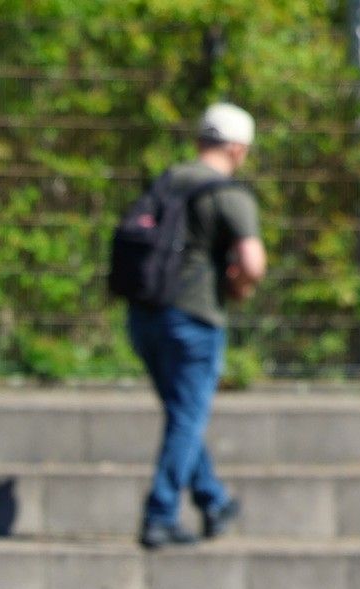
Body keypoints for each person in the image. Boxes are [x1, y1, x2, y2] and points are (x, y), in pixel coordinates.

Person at [126, 102, 265, 549]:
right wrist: (239, 286)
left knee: (183, 414)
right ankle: (161, 513)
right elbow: (252, 262)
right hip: (195, 320)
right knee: (188, 415)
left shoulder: (167, 181)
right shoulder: (229, 194)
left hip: (144, 316)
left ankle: (213, 499)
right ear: (238, 148)